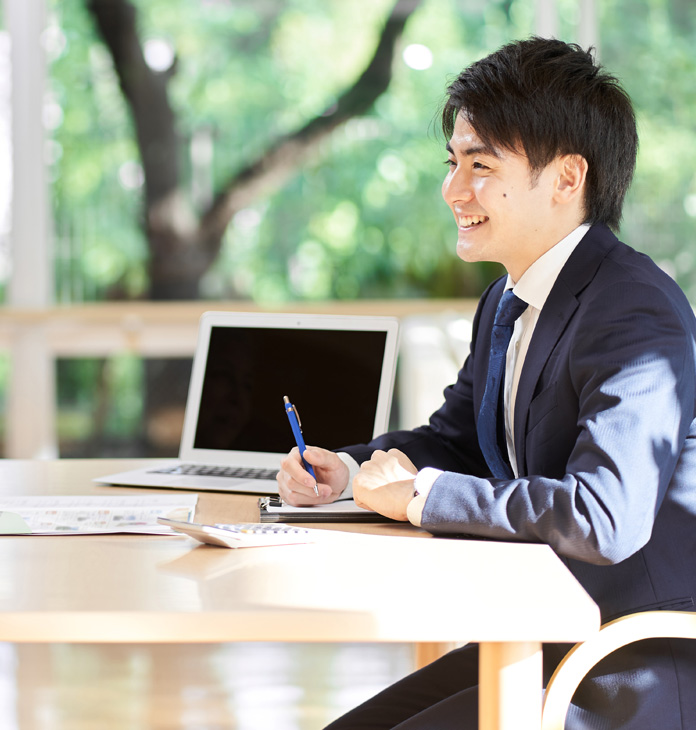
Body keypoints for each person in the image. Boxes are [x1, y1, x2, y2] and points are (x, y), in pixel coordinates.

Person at [278, 38, 696, 729]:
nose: (453, 189)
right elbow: (457, 442)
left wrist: (421, 496)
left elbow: (607, 517)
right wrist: (347, 470)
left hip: (635, 661)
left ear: (567, 179)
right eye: (453, 163)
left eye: (481, 165)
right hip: (552, 631)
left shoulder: (632, 307)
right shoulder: (507, 301)